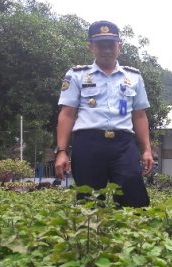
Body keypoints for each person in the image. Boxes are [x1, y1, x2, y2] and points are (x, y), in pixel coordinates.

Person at [54, 20, 153, 207]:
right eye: (101, 44)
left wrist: (146, 149)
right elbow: (67, 114)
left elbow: (139, 115)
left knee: (134, 201)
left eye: (111, 44)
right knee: (89, 204)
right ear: (91, 46)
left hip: (124, 145)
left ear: (119, 46)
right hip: (88, 144)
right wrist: (61, 151)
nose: (106, 49)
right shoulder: (76, 75)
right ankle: (92, 234)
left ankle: (133, 236)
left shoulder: (133, 77)